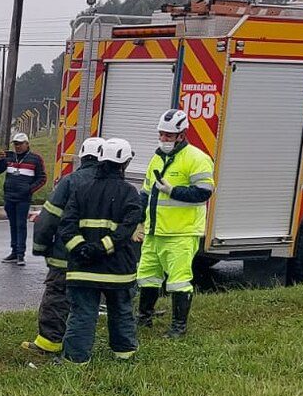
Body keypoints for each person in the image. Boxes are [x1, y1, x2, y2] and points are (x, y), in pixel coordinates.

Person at [58, 138, 144, 364]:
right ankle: (124, 356)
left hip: (83, 269)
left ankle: (76, 359)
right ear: (124, 164)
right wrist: (102, 247)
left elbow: (67, 226)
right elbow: (126, 230)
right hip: (118, 270)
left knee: (82, 314)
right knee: (121, 312)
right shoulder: (130, 193)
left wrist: (81, 249)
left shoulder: (81, 189)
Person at [137, 109, 215, 338]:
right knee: (148, 276)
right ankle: (144, 318)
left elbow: (204, 193)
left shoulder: (197, 158)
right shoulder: (157, 157)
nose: (163, 139)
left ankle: (178, 328)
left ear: (182, 135)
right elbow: (145, 193)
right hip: (154, 231)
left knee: (179, 282)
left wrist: (173, 191)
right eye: (161, 134)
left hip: (181, 232)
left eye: (168, 136)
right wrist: (139, 222)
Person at [24, 136, 105, 355]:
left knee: (57, 297)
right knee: (86, 302)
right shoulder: (111, 184)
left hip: (65, 256)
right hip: (98, 256)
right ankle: (79, 344)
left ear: (82, 157)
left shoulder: (70, 182)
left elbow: (48, 218)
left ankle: (49, 343)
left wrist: (41, 247)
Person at [0, 132, 47, 266]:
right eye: (15, 144)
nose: (17, 147)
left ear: (27, 144)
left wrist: (29, 189)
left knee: (21, 225)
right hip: (9, 197)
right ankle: (14, 251)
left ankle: (20, 254)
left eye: (20, 144)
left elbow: (42, 178)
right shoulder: (9, 157)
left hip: (23, 199)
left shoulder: (35, 159)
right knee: (13, 225)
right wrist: (0, 160)